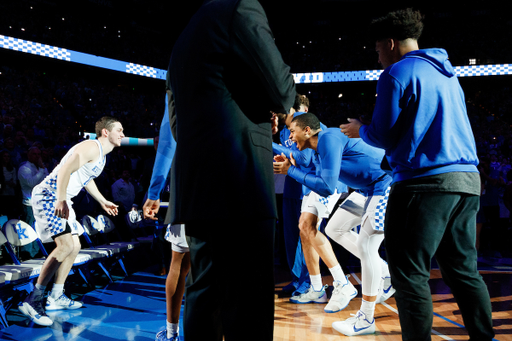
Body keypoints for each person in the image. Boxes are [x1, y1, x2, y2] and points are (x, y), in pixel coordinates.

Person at [340, 8, 494, 341]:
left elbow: (382, 134)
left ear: (391, 43)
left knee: (409, 274)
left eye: (378, 49)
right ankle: (485, 337)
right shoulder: (448, 74)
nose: (378, 56)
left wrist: (359, 129)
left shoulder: (396, 73)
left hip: (424, 182)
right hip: (467, 180)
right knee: (464, 271)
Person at [167, 0, 295, 339]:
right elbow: (282, 92)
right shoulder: (242, 8)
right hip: (240, 178)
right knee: (248, 303)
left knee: (204, 294)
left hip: (197, 184)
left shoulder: (184, 38)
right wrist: (262, 104)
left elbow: (178, 128)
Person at [274, 113, 392, 335]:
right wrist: (291, 166)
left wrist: (291, 171)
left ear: (307, 131)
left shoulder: (329, 138)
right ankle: (386, 271)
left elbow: (327, 187)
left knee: (367, 247)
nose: (290, 136)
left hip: (384, 184)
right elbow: (315, 177)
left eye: (292, 131)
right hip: (366, 190)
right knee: (334, 228)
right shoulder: (317, 151)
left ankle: (366, 317)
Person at [18, 116, 123, 327]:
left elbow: (86, 177)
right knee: (65, 245)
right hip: (50, 195)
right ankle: (33, 299)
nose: (122, 134)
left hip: (64, 198)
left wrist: (102, 201)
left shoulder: (100, 156)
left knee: (75, 246)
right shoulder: (91, 146)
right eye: (119, 130)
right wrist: (61, 198)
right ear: (105, 132)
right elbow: (65, 169)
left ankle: (56, 296)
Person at [143, 92, 190, 341]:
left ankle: (172, 333)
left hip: (190, 187)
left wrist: (154, 192)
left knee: (179, 264)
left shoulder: (180, 78)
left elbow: (167, 142)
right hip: (230, 186)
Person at [18, 146, 49, 259]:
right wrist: (41, 169)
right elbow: (32, 183)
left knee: (38, 229)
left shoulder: (41, 168)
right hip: (29, 204)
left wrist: (42, 169)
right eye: (34, 154)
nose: (37, 156)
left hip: (41, 204)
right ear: (29, 155)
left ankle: (36, 254)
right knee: (28, 230)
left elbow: (47, 181)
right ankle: (26, 255)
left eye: (38, 154)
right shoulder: (24, 168)